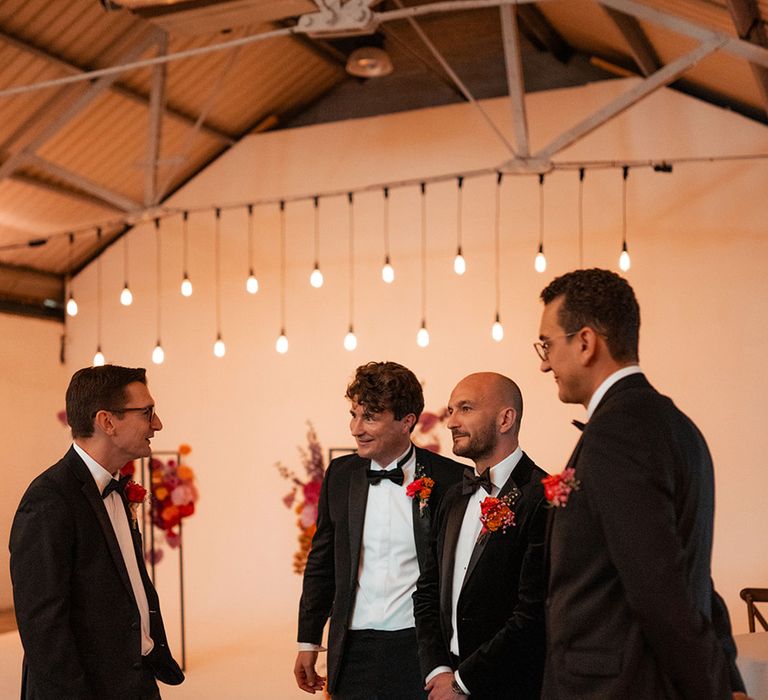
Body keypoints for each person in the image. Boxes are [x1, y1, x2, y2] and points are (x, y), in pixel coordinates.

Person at [535, 268, 748, 699]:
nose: (543, 363)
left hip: (613, 687)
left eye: (547, 344)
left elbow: (659, 588)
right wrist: (726, 674)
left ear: (585, 342)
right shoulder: (676, 426)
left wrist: (715, 688)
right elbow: (693, 576)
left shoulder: (619, 432)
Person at [9, 365, 184, 700]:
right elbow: (44, 629)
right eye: (146, 412)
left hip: (136, 683)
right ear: (107, 422)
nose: (157, 424)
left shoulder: (118, 487)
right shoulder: (49, 500)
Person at [294, 361, 465, 699]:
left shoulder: (450, 480)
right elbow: (322, 561)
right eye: (354, 414)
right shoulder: (340, 475)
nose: (356, 428)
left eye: (369, 417)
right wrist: (309, 640)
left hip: (421, 648)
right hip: (352, 645)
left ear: (407, 422)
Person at [413, 372, 548, 700]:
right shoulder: (453, 497)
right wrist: (439, 671)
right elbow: (428, 591)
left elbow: (533, 612)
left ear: (505, 418)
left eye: (465, 408)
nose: (451, 422)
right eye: (451, 410)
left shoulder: (542, 496)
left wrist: (463, 682)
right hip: (445, 683)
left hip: (512, 686)